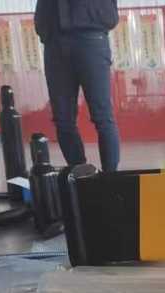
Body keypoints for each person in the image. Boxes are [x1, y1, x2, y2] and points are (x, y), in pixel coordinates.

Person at [35, 0, 120, 172]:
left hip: (91, 37)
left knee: (102, 116)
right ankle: (80, 175)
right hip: (54, 41)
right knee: (62, 119)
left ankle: (110, 178)